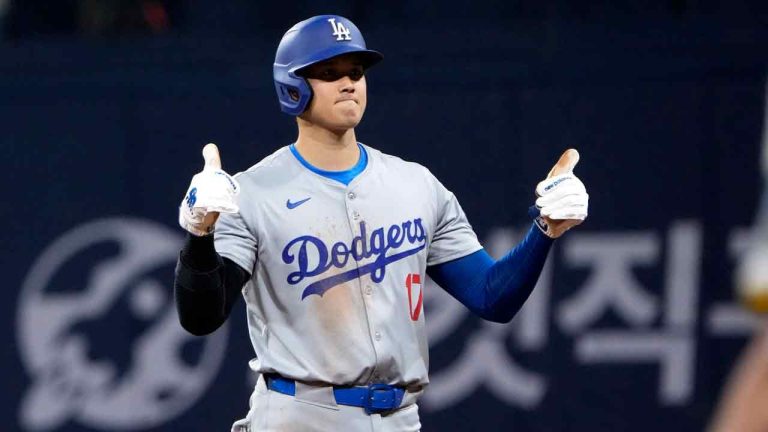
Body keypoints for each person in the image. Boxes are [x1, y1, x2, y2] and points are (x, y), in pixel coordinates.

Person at [174, 15, 589, 432]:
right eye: (328, 73)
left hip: (399, 418)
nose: (348, 83)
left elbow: (492, 297)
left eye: (356, 71)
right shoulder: (253, 192)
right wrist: (200, 236)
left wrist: (545, 231)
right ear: (292, 87)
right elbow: (201, 318)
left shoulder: (416, 185)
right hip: (300, 415)